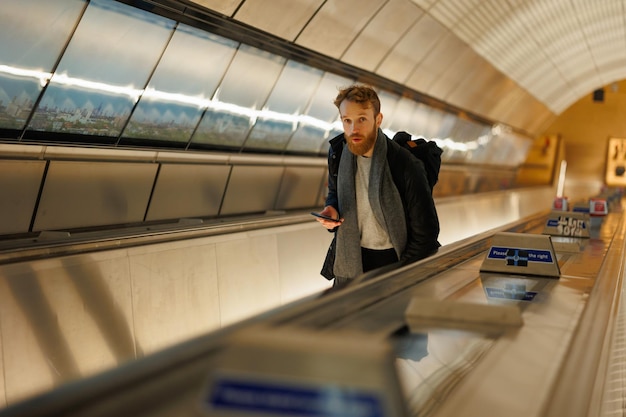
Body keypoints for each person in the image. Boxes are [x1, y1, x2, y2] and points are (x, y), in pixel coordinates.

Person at [316, 84, 440, 287]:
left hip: (395, 262)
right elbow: (335, 193)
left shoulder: (404, 163)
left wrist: (400, 274)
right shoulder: (338, 153)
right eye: (347, 120)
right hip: (351, 263)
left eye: (362, 119)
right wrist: (332, 210)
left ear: (378, 120)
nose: (353, 129)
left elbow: (426, 233)